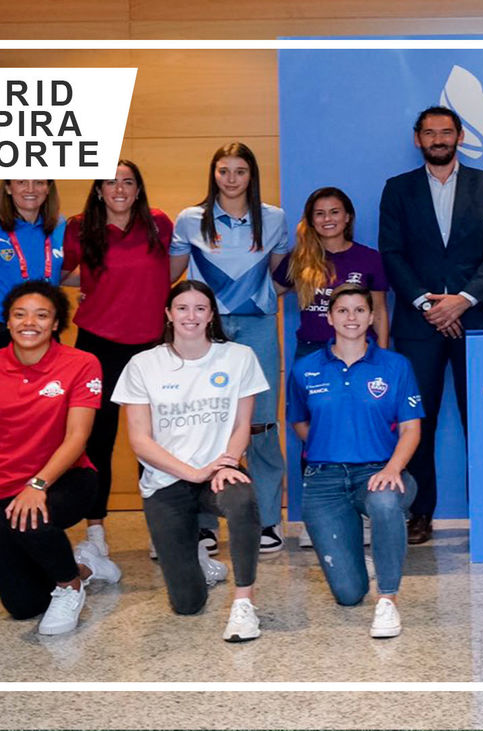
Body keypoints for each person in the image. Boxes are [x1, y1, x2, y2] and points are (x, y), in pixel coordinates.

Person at [0, 282, 120, 636]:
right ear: (7, 321)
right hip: (4, 486)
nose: (29, 322)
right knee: (23, 606)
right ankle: (86, 567)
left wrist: (37, 485)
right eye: (20, 314)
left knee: (30, 519)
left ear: (56, 323)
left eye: (41, 315)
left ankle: (69, 586)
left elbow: (77, 437)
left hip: (67, 478)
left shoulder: (82, 363)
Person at [112, 280, 268, 642]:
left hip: (221, 470)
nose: (191, 316)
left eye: (200, 308)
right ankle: (198, 563)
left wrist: (228, 462)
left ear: (212, 314)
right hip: (167, 478)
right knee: (187, 604)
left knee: (243, 501)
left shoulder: (238, 357)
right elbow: (139, 440)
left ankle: (244, 602)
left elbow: (244, 423)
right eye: (182, 308)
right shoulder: (143, 365)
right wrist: (193, 472)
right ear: (168, 314)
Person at [378, 105, 483, 545]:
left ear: (460, 137)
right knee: (419, 421)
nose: (438, 139)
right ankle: (418, 512)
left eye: (446, 132)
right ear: (417, 139)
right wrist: (427, 305)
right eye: (429, 133)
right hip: (419, 323)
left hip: (476, 321)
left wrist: (462, 300)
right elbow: (391, 253)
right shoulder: (398, 189)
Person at [171, 142, 292, 554]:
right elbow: (171, 276)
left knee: (260, 424)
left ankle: (266, 521)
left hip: (258, 326)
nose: (232, 178)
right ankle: (205, 523)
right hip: (208, 328)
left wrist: (258, 297)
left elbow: (283, 274)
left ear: (251, 175)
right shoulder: (190, 220)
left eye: (241, 171)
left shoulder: (273, 218)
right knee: (206, 423)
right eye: (224, 170)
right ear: (214, 174)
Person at [287, 283, 424, 637]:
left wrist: (392, 468)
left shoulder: (395, 366)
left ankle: (388, 600)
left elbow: (411, 429)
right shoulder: (306, 369)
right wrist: (329, 445)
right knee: (348, 595)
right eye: (343, 311)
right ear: (330, 317)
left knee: (383, 501)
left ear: (372, 316)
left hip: (379, 471)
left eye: (360, 310)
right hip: (323, 479)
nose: (352, 317)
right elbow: (300, 422)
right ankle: (364, 563)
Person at [61, 160, 174, 558]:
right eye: (111, 182)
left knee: (155, 441)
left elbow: (172, 270)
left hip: (150, 347)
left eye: (128, 182)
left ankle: (162, 529)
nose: (119, 189)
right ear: (98, 190)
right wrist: (90, 285)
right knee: (98, 440)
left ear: (139, 189)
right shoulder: (78, 227)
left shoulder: (159, 223)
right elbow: (57, 272)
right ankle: (95, 533)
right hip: (98, 345)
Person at [274, 187, 389, 358]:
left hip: (360, 348)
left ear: (347, 217)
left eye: (335, 212)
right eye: (319, 213)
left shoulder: (370, 258)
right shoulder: (298, 259)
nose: (327, 218)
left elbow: (379, 311)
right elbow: (271, 292)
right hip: (312, 350)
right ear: (311, 220)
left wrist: (383, 356)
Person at [0, 180, 66, 352]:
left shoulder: (61, 227)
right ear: (8, 188)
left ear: (48, 189)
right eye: (21, 182)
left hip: (45, 328)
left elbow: (63, 273)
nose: (30, 189)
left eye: (39, 182)